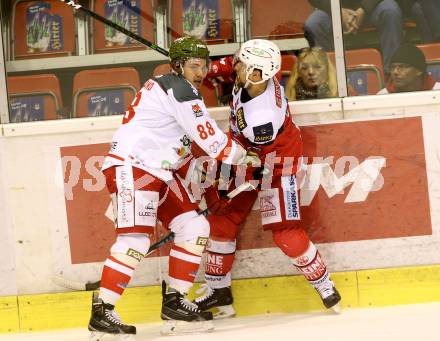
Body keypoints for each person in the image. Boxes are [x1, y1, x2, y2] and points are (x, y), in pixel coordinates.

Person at [87, 36, 257, 339]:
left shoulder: (173, 87)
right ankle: (103, 312)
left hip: (158, 171)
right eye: (194, 66)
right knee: (135, 241)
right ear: (178, 65)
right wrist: (246, 156)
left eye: (204, 65)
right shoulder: (179, 90)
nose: (201, 72)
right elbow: (212, 140)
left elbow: (179, 145)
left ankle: (175, 302)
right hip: (134, 167)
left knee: (194, 227)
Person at [192, 39, 341, 319]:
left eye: (243, 65)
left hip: (276, 164)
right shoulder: (254, 74)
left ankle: (324, 283)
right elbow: (229, 64)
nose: (236, 66)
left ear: (258, 74)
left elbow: (256, 159)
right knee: (222, 219)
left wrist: (229, 181)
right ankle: (219, 291)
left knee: (284, 231)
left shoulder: (262, 117)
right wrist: (205, 70)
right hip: (246, 152)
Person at [304, 0, 403, 73]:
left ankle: (391, 74)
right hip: (335, 8)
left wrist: (363, 9)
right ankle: (329, 77)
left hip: (374, 5)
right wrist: (337, 10)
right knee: (313, 24)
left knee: (391, 11)